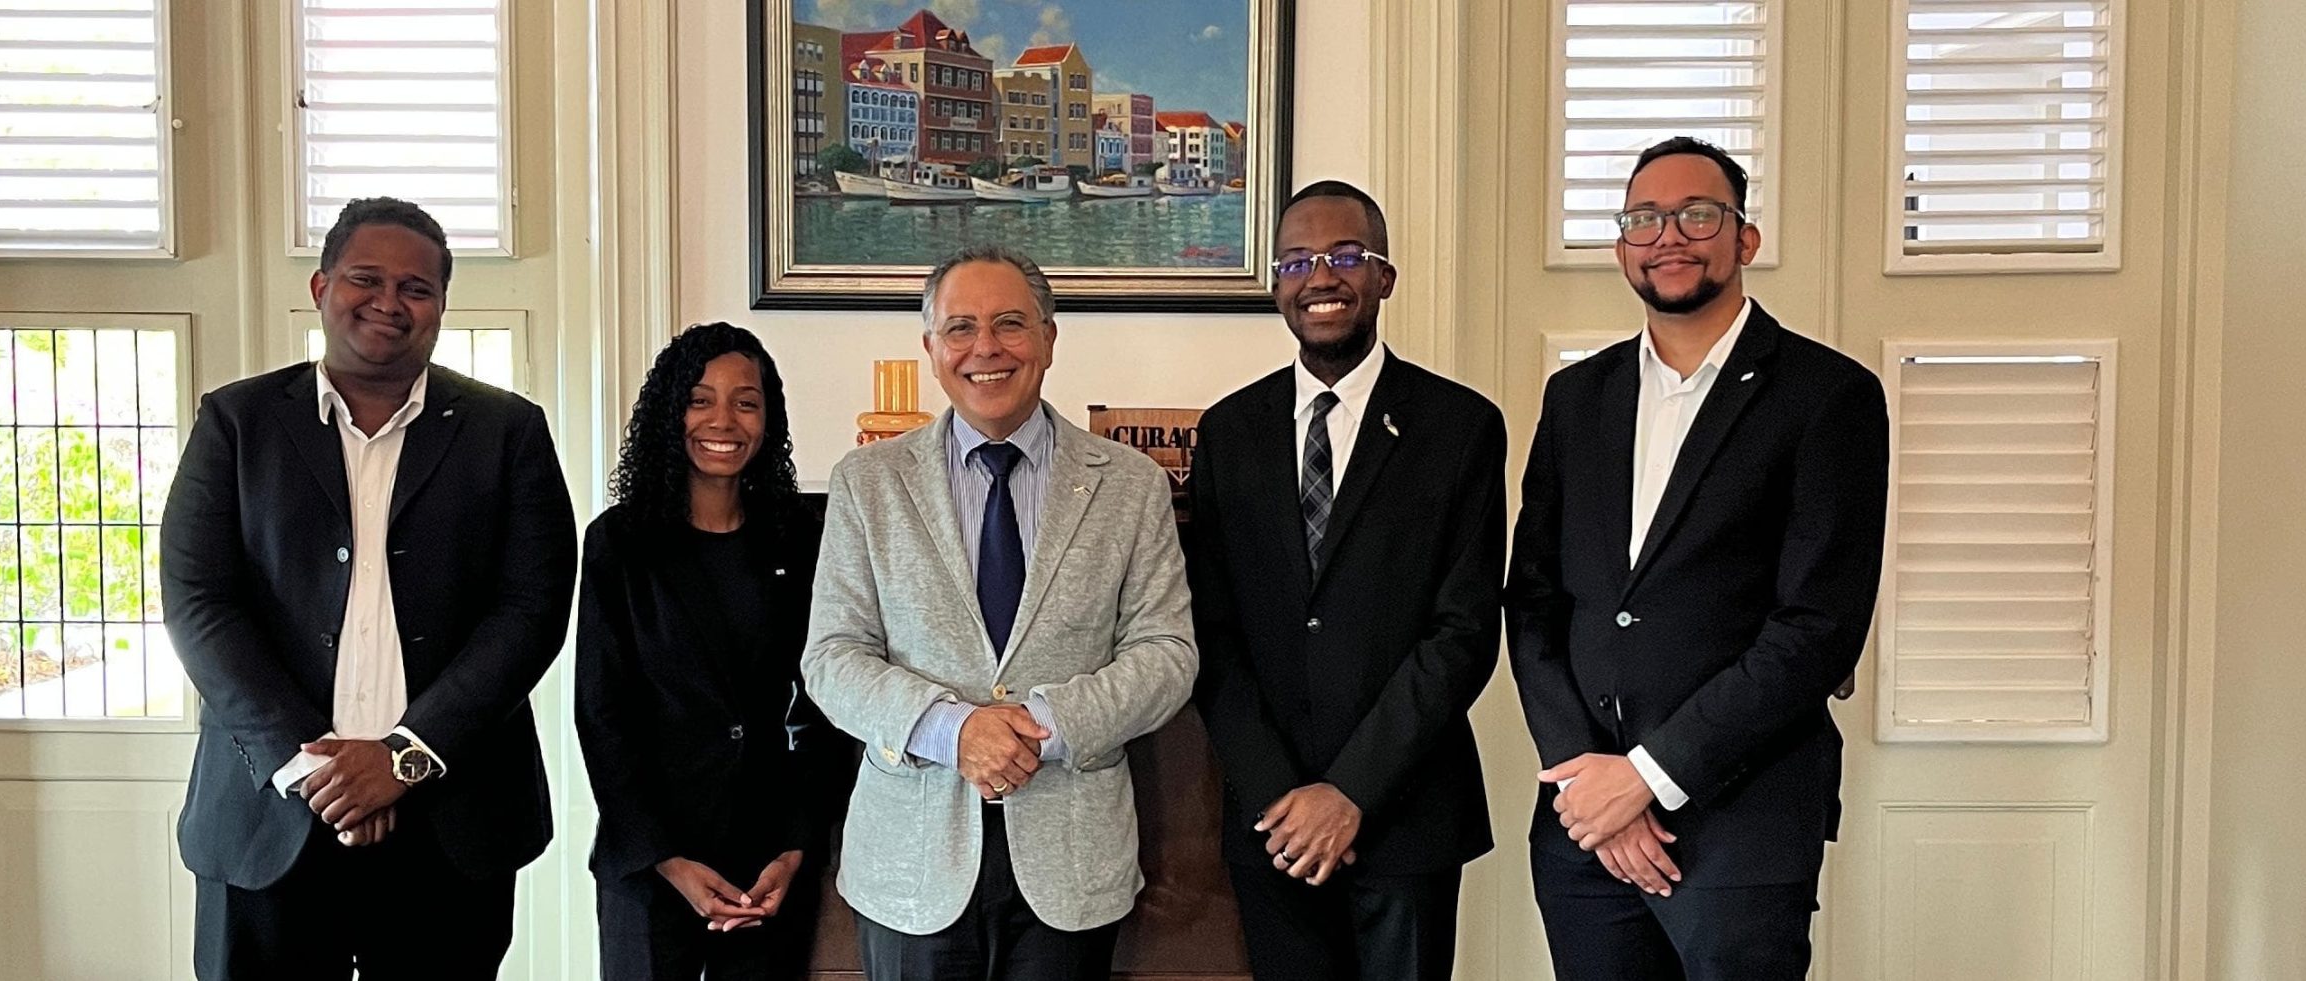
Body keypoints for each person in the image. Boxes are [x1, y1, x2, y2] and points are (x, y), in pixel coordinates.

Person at [162, 196, 577, 978]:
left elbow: (531, 611)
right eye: (366, 279)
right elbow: (198, 602)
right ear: (322, 288)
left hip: (451, 825)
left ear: (441, 306)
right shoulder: (237, 423)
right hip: (268, 817)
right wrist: (317, 770)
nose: (390, 302)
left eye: (416, 288)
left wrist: (404, 757)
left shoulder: (507, 432)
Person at [1505, 136, 1890, 980]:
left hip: (1742, 822)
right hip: (1584, 830)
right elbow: (1532, 601)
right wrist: (1587, 785)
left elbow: (1817, 627)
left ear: (1744, 237)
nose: (1668, 236)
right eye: (1644, 219)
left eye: (1697, 214)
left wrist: (1646, 777)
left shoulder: (1830, 396)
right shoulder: (1577, 398)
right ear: (1622, 248)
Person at [800, 245, 1199, 981]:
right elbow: (832, 657)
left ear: (1048, 338)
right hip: (911, 865)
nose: (985, 347)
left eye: (1010, 323)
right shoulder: (868, 483)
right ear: (932, 349)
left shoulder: (1131, 485)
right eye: (960, 328)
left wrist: (1043, 725)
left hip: (1072, 860)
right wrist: (953, 729)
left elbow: (1166, 652)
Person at [1187, 180, 1508, 981]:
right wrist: (1280, 795)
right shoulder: (1228, 431)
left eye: (1345, 255)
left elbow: (1463, 632)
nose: (1320, 277)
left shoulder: (1460, 426)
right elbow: (1211, 633)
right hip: (1272, 822)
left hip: (1406, 815)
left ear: (1384, 276)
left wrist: (1351, 790)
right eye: (1296, 260)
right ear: (1275, 286)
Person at [577, 321, 850, 978]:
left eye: (745, 402)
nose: (723, 420)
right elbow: (602, 712)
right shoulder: (620, 542)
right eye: (700, 400)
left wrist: (797, 845)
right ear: (671, 412)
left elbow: (828, 701)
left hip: (770, 859)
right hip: (651, 858)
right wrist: (668, 859)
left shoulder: (802, 538)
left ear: (768, 418)